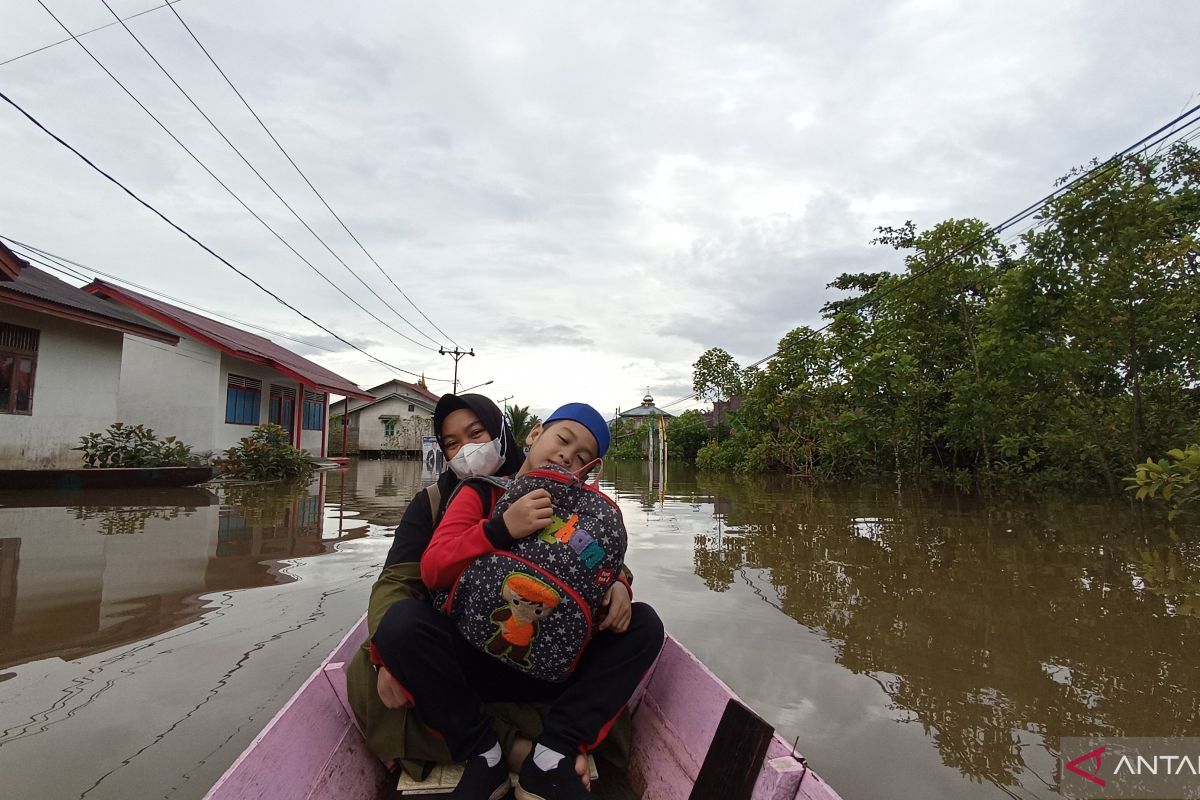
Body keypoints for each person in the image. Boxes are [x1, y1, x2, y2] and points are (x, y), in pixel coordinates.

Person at [345, 395, 637, 791]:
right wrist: (385, 660)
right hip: (466, 653)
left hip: (546, 659)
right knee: (383, 650)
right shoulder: (443, 500)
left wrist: (621, 583)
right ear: (537, 435)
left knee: (643, 626)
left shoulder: (577, 506)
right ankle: (519, 752)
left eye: (476, 433)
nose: (466, 449)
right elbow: (401, 580)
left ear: (503, 433)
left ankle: (547, 749)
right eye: (451, 443)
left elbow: (596, 559)